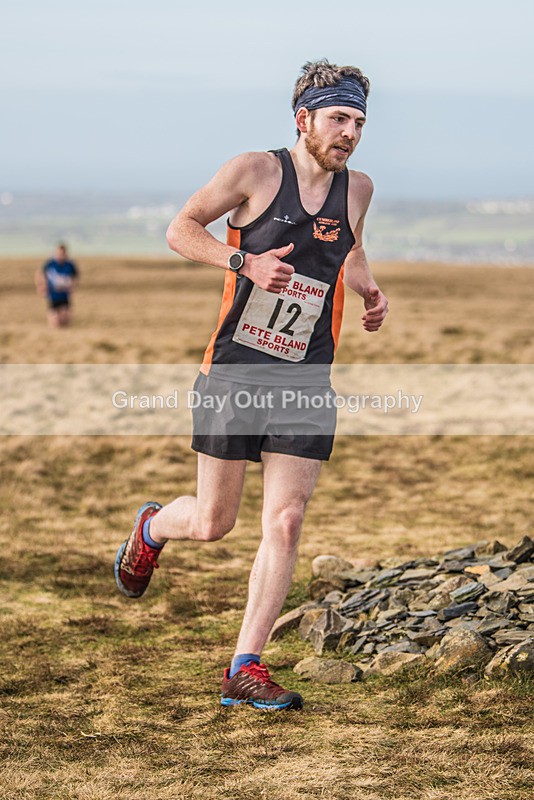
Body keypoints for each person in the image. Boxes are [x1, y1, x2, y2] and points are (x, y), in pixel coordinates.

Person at [114, 59, 389, 710]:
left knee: (287, 521)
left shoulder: (359, 190)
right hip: (235, 369)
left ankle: (246, 665)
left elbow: (348, 247)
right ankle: (153, 529)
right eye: (338, 118)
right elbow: (181, 229)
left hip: (306, 374)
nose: (349, 132)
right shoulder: (254, 172)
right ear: (304, 119)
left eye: (358, 122)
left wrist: (368, 286)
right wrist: (244, 261)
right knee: (214, 521)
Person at [35, 242, 79, 327]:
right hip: (53, 295)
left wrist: (72, 286)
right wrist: (41, 286)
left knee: (66, 318)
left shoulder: (69, 265)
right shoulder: (50, 264)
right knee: (54, 320)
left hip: (64, 295)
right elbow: (40, 273)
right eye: (59, 252)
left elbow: (75, 276)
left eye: (63, 253)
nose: (61, 255)